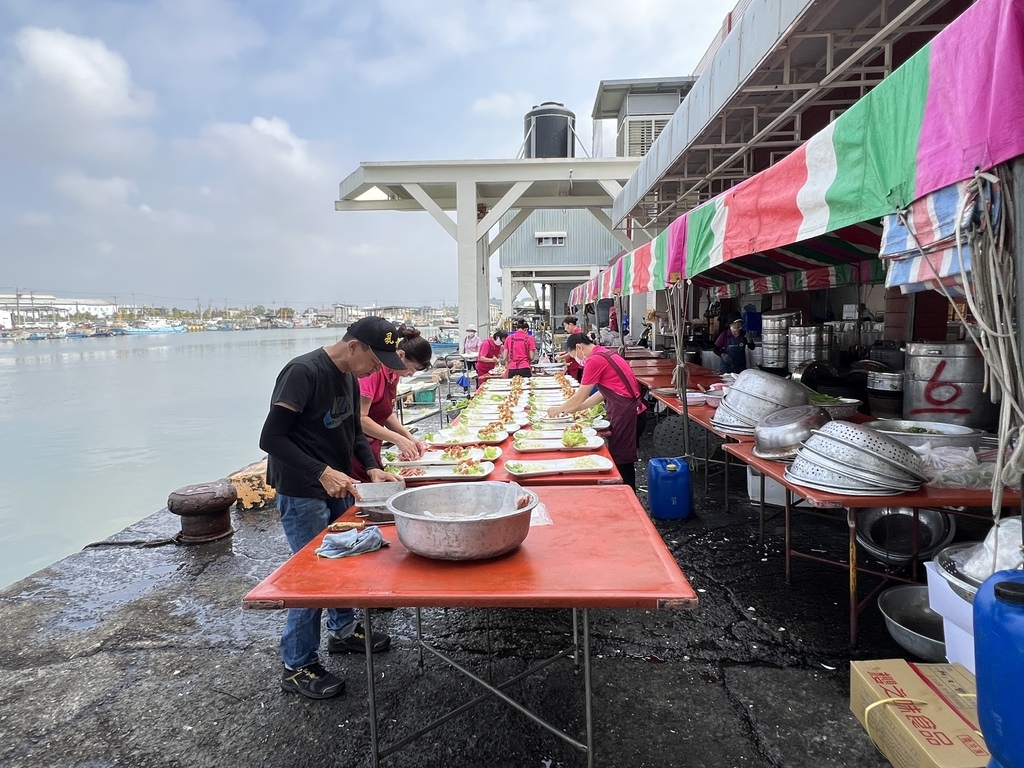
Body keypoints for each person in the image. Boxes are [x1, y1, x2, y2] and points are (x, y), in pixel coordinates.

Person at [258, 316, 405, 700]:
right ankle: (297, 663)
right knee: (313, 575)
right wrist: (321, 471)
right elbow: (271, 437)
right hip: (302, 488)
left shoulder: (349, 376)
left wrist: (372, 466)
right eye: (377, 359)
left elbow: (353, 431)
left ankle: (342, 631)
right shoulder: (303, 372)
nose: (379, 368)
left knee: (345, 560)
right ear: (354, 345)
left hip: (338, 482)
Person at [547, 333, 646, 490]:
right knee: (621, 458)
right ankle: (625, 493)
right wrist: (576, 409)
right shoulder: (605, 353)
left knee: (622, 461)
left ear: (579, 347)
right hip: (631, 411)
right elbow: (601, 394)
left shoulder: (595, 360)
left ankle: (627, 498)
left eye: (574, 356)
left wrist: (558, 410)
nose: (577, 361)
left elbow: (580, 396)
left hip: (627, 413)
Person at [351, 325, 433, 481]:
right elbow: (360, 418)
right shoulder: (372, 373)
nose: (410, 374)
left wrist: (410, 439)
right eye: (412, 369)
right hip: (357, 448)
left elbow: (386, 413)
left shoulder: (394, 375)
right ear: (401, 355)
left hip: (374, 444)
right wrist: (396, 439)